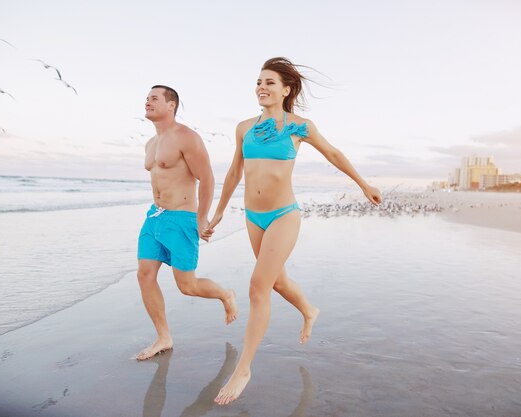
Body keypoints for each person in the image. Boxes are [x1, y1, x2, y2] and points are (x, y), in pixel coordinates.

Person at [204, 58, 382, 405]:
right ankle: (309, 310)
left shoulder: (300, 126)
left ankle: (243, 368)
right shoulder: (243, 127)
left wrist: (363, 184)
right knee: (277, 281)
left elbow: (332, 152)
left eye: (269, 82)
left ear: (286, 89)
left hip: (284, 214)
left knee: (258, 286)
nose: (261, 87)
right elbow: (233, 172)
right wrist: (219, 211)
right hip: (253, 216)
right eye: (258, 81)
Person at [136, 85, 238, 361]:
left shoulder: (186, 137)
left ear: (171, 105)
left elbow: (207, 178)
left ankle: (226, 294)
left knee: (187, 285)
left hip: (181, 218)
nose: (147, 102)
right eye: (146, 99)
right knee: (145, 274)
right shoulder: (150, 143)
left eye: (154, 98)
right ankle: (163, 336)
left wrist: (202, 217)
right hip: (155, 217)